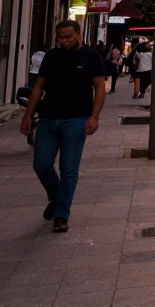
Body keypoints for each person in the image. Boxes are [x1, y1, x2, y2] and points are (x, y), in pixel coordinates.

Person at [18, 21, 106, 233]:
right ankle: (57, 197)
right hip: (48, 118)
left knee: (68, 170)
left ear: (78, 34)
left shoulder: (91, 57)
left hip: (76, 121)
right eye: (60, 37)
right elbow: (39, 86)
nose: (63, 41)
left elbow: (100, 87)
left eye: (67, 37)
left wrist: (94, 116)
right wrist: (28, 115)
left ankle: (61, 215)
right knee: (41, 164)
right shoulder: (52, 56)